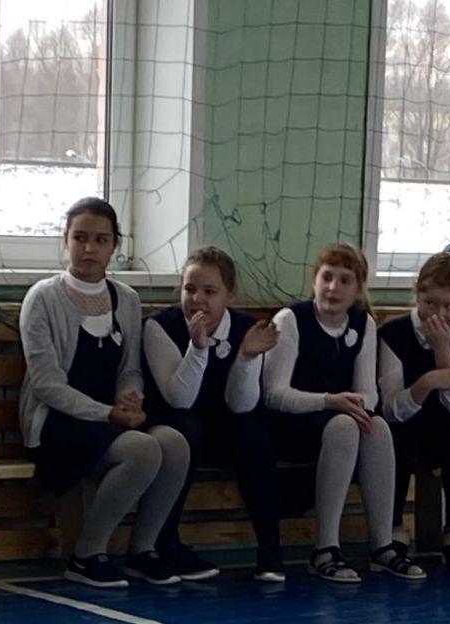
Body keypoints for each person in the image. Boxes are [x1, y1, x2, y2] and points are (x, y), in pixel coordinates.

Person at [18, 197, 190, 588]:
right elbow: (46, 384)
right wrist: (108, 414)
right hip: (59, 423)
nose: (89, 248)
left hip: (112, 419)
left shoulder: (126, 299)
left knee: (174, 444)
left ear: (115, 245)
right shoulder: (42, 298)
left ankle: (143, 550)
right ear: (66, 240)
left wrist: (131, 398)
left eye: (101, 240)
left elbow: (130, 368)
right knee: (142, 450)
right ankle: (86, 554)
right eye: (80, 238)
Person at [258, 242, 425, 583]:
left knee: (377, 427)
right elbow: (273, 394)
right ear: (314, 280)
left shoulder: (363, 324)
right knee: (344, 427)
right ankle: (324, 548)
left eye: (345, 280)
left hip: (338, 420)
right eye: (327, 277)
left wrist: (353, 406)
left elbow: (369, 393)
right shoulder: (291, 320)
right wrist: (330, 401)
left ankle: (382, 546)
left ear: (358, 289)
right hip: (290, 426)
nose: (333, 287)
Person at [142, 245, 282, 582]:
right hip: (175, 429)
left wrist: (247, 358)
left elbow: (241, 404)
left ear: (229, 295)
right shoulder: (160, 326)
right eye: (190, 289)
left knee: (253, 429)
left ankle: (270, 550)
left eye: (209, 291)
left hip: (223, 429)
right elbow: (180, 399)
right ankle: (166, 542)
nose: (197, 300)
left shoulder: (246, 328)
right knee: (186, 428)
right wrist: (198, 347)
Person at [377, 250, 450, 567]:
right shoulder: (393, 335)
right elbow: (391, 409)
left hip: (442, 427)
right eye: (430, 303)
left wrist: (442, 350)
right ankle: (392, 527)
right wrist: (425, 384)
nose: (439, 314)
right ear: (417, 296)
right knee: (394, 435)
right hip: (405, 422)